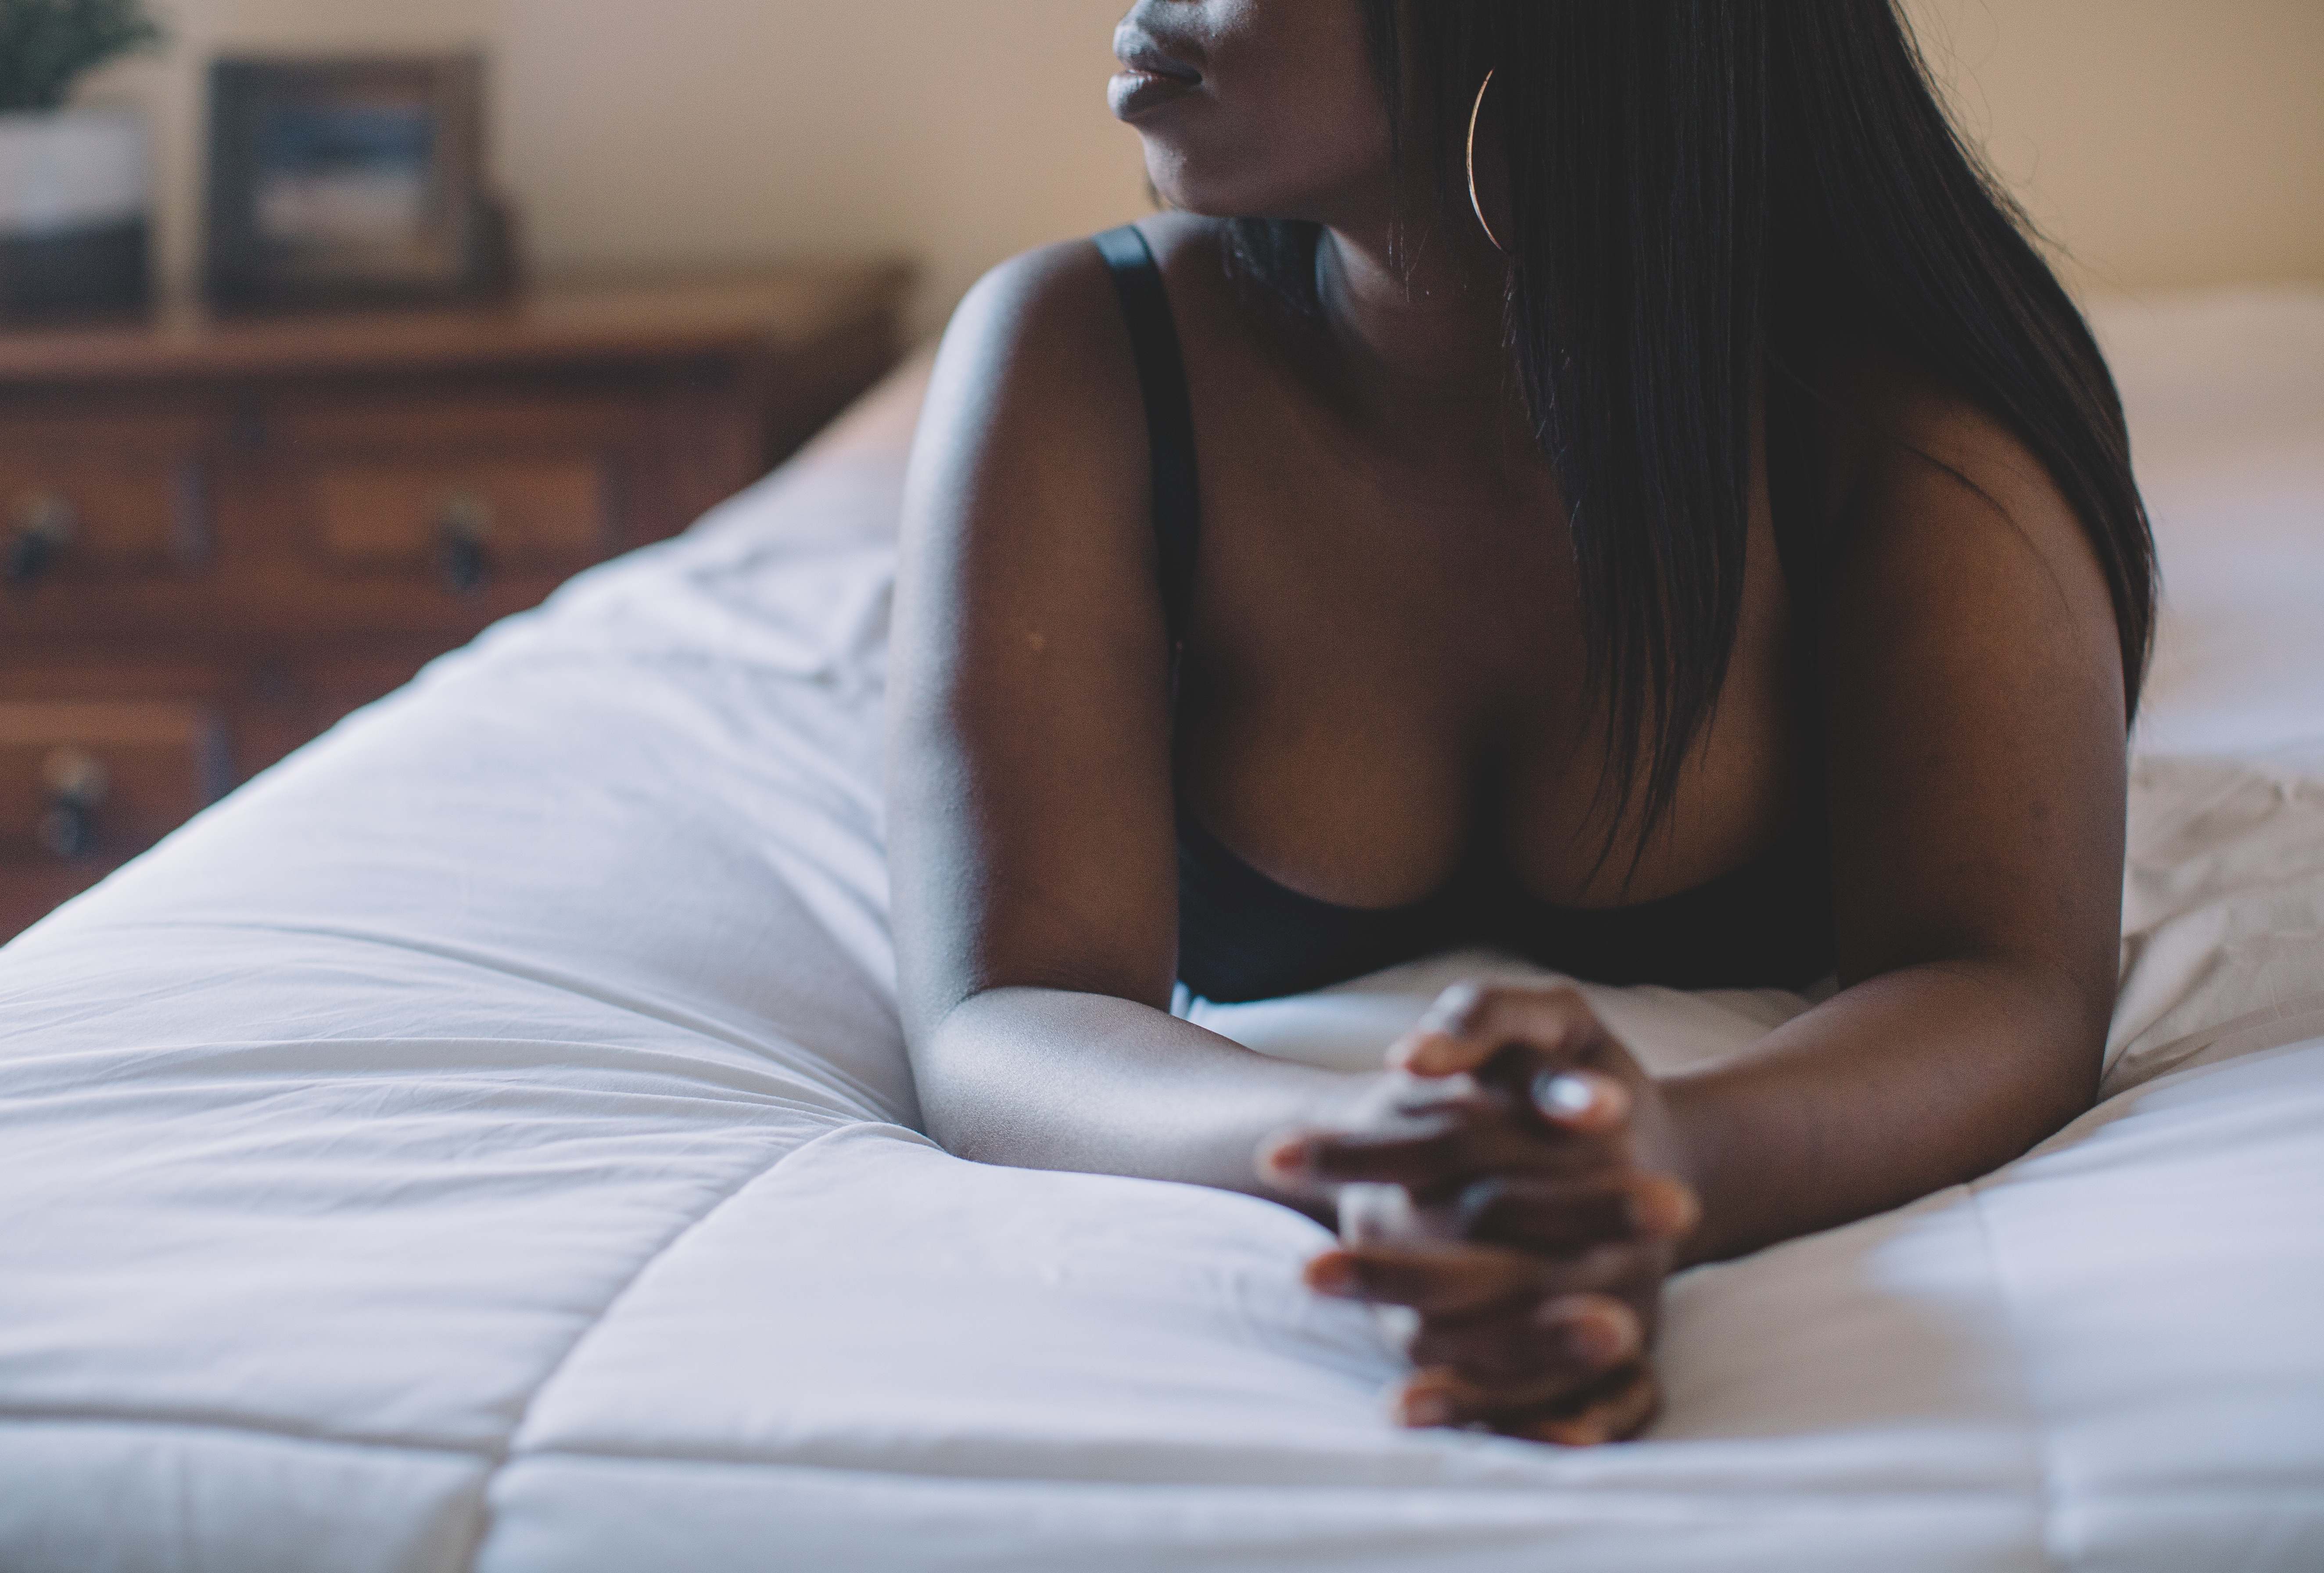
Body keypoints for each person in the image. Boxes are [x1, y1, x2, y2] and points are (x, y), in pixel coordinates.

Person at [886, 0, 2155, 1446]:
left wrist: (1664, 1163)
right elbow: (1002, 1012)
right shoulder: (1082, 357)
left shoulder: (1902, 412)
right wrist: (1348, 1148)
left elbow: (2007, 980)